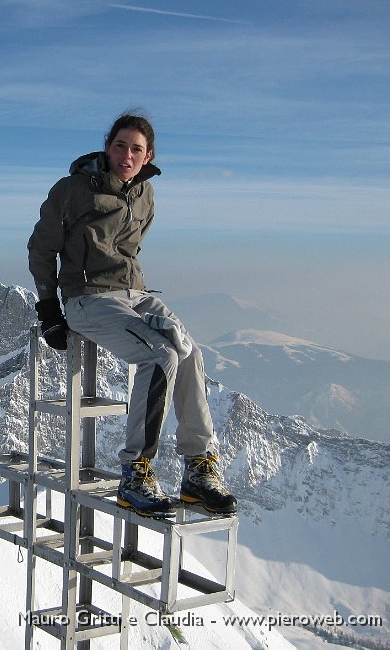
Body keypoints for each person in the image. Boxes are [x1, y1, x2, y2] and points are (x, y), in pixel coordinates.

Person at [27, 110, 236, 517]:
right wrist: (49, 308)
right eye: (120, 145)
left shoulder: (145, 194)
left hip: (134, 293)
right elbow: (42, 248)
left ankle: (197, 469)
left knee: (188, 351)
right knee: (160, 355)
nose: (126, 154)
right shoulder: (71, 190)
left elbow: (131, 248)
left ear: (148, 156)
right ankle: (136, 472)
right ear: (107, 148)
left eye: (136, 149)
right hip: (87, 297)